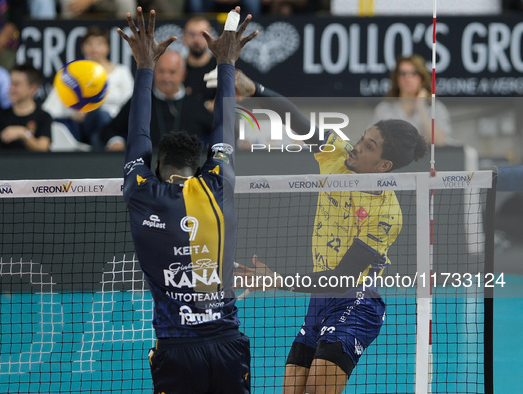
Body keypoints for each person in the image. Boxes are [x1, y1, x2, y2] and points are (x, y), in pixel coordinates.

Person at [233, 75, 428, 394]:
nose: (355, 146)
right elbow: (298, 123)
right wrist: (257, 91)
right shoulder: (337, 157)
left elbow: (342, 277)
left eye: (368, 146)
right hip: (318, 301)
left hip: (357, 302)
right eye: (361, 137)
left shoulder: (386, 213)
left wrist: (276, 280)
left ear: (383, 165)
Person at [119, 6, 257, 393]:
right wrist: (226, 63)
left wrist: (145, 66)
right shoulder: (218, 182)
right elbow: (225, 125)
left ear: (156, 165)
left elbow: (137, 134)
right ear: (198, 163)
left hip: (177, 351)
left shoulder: (142, 191)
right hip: (228, 345)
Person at [101, 49, 213, 151]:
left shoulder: (195, 104)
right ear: (153, 72)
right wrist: (116, 141)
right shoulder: (140, 102)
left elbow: (216, 133)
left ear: (183, 74)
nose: (166, 77)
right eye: (161, 71)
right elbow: (110, 130)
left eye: (172, 72)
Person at [42, 26, 132, 150]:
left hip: (115, 125)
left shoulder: (121, 72)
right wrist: (72, 114)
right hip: (82, 126)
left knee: (103, 116)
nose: (94, 48)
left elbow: (130, 104)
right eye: (89, 43)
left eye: (99, 43)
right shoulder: (73, 73)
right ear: (83, 47)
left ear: (108, 47)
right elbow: (51, 107)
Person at [373, 54, 452, 146]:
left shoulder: (436, 107)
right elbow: (372, 142)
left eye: (414, 73)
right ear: (397, 79)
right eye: (403, 73)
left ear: (422, 79)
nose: (407, 78)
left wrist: (421, 108)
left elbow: (440, 142)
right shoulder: (385, 109)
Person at [0, 64, 51, 152]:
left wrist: (23, 134)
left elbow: (43, 148)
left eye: (17, 84)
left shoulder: (44, 117)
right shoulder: (0, 115)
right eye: (11, 83)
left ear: (33, 88)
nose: (11, 88)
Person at [183, 16, 217, 103]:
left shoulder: (220, 68)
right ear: (184, 38)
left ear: (211, 37)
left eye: (202, 35)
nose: (196, 40)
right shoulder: (176, 69)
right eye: (191, 34)